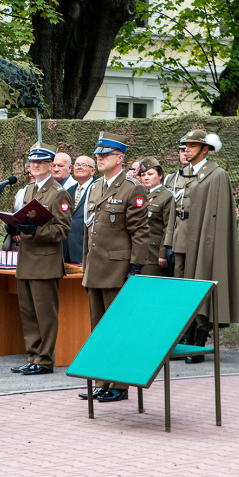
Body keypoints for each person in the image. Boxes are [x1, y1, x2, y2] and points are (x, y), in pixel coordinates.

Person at [79, 132, 150, 402]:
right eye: (98, 154)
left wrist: (135, 266)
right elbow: (89, 230)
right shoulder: (96, 187)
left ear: (119, 158)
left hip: (118, 268)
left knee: (118, 328)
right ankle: (101, 381)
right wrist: (85, 264)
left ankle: (119, 385)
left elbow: (140, 232)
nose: (99, 158)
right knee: (98, 328)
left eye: (105, 154)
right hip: (96, 268)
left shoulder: (132, 188)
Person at [169, 130, 239, 363]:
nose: (187, 150)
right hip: (182, 242)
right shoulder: (182, 174)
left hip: (203, 244)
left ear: (205, 149)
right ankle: (185, 340)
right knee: (182, 293)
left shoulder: (216, 174)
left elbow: (218, 216)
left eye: (192, 146)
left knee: (200, 290)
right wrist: (168, 242)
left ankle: (199, 342)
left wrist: (209, 246)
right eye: (185, 146)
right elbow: (175, 210)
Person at [8, 143, 72, 376]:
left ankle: (44, 359)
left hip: (45, 261)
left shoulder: (58, 193)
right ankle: (33, 355)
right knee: (28, 312)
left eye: (40, 162)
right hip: (26, 259)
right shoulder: (27, 190)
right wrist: (13, 226)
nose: (34, 165)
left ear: (50, 165)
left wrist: (35, 231)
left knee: (45, 313)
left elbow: (63, 230)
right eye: (32, 161)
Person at [138, 157, 174, 277]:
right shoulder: (140, 194)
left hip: (154, 254)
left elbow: (168, 227)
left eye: (150, 174)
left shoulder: (167, 196)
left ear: (160, 175)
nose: (146, 177)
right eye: (143, 175)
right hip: (139, 253)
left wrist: (163, 254)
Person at [63, 155, 96, 265]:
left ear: (93, 171)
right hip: (65, 251)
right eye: (77, 165)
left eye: (84, 165)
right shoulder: (68, 191)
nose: (79, 167)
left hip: (86, 250)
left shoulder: (98, 190)